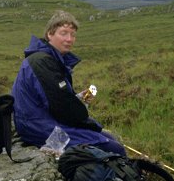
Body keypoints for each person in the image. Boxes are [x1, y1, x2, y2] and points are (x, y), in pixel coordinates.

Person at [11, 10, 125, 156]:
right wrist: (91, 124)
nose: (69, 39)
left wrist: (77, 98)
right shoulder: (42, 62)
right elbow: (62, 108)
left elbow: (54, 100)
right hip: (40, 128)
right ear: (49, 34)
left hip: (43, 121)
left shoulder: (48, 58)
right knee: (115, 148)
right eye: (63, 33)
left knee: (109, 138)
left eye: (73, 35)